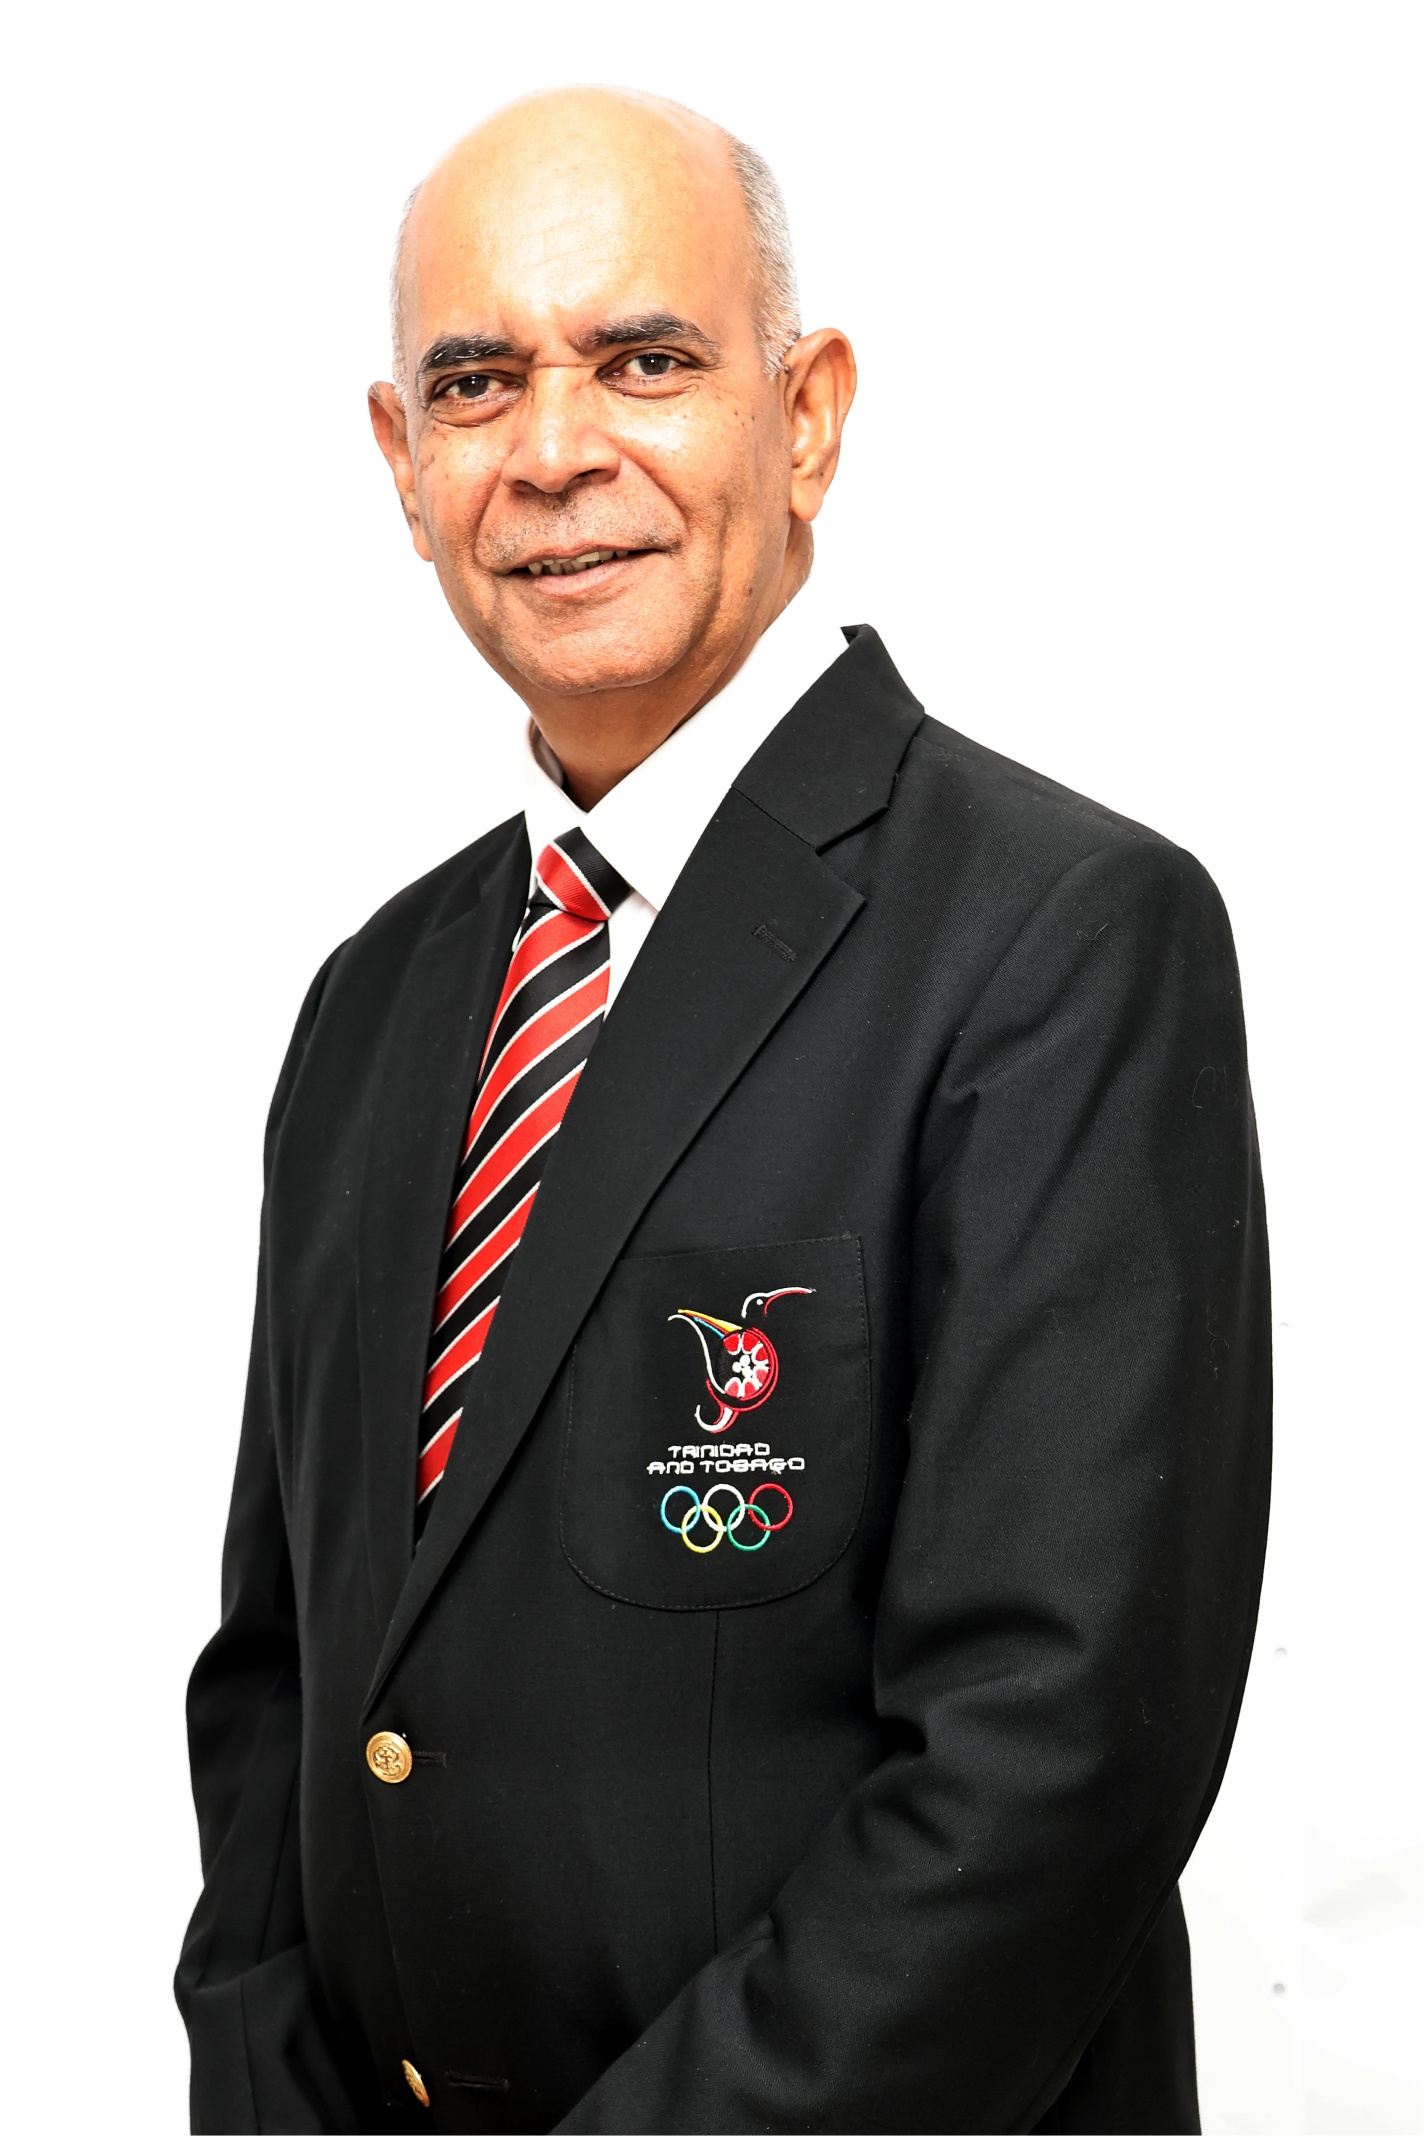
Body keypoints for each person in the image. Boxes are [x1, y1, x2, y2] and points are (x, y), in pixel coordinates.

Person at [176, 85, 1271, 2135]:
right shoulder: (371, 1005)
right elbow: (284, 1686)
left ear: (808, 415)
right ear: (403, 464)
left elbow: (1048, 1767)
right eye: (476, 383)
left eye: (645, 360)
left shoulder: (1059, 941)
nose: (552, 449)